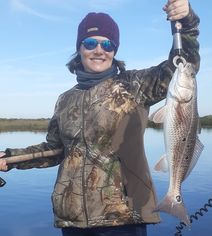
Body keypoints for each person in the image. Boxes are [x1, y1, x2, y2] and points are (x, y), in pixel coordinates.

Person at [0, 0, 200, 235]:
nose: (99, 50)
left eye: (108, 44)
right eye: (90, 42)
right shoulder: (65, 99)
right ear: (80, 48)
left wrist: (186, 23)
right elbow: (55, 150)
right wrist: (10, 158)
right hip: (72, 220)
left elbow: (183, 65)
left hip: (124, 219)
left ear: (115, 50)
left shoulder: (134, 86)